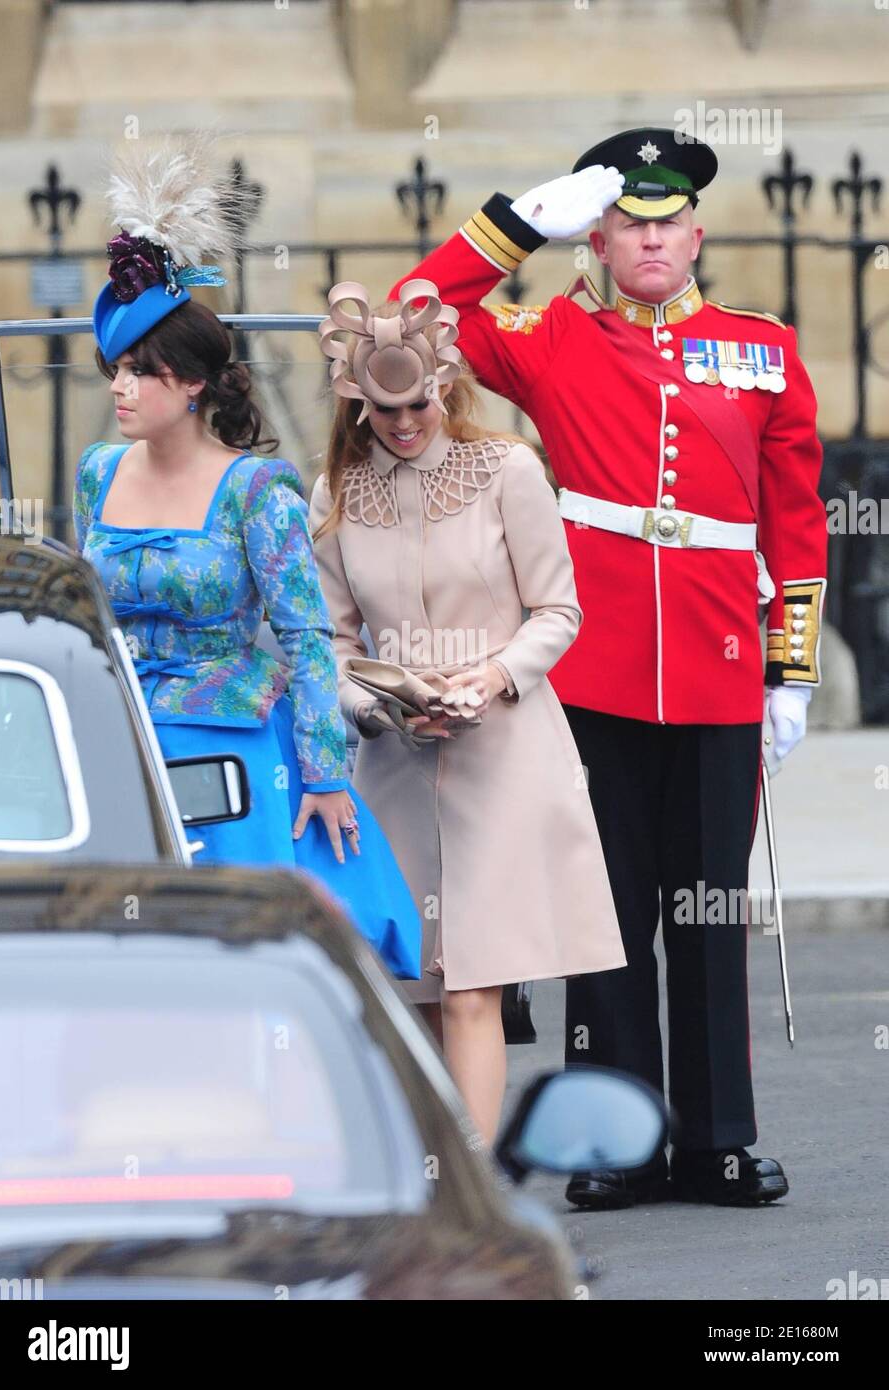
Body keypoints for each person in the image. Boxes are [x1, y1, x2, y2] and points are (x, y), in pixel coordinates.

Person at [388, 128, 827, 1204]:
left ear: (694, 233)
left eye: (665, 220)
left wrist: (791, 671)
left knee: (709, 910)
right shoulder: (551, 340)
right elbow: (409, 317)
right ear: (596, 234)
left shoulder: (759, 348)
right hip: (589, 671)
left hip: (723, 663)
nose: (649, 239)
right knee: (602, 910)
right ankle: (613, 1139)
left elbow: (796, 518)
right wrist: (508, 227)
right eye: (627, 220)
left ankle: (717, 1139)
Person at [73, 137, 420, 980]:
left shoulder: (255, 491)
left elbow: (306, 641)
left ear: (191, 383)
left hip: (227, 748)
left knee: (239, 959)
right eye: (113, 369)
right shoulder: (97, 471)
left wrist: (325, 774)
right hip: (120, 742)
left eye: (138, 371)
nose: (119, 388)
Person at [308, 278, 624, 1144]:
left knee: (476, 979)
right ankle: (425, 1174)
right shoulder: (332, 495)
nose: (405, 423)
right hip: (393, 763)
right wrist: (375, 705)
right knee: (411, 981)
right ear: (357, 404)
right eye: (385, 411)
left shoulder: (508, 469)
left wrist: (491, 678)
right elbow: (327, 644)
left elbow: (557, 612)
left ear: (445, 384)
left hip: (505, 749)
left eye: (419, 403)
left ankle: (474, 1190)